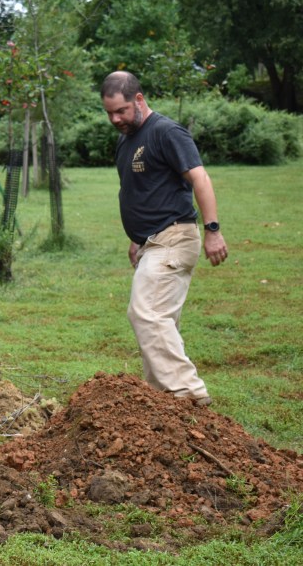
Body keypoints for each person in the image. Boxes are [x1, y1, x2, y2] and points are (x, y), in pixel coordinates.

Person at [101, 71, 228, 406]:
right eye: (110, 113)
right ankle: (163, 402)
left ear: (139, 100)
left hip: (174, 237)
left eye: (122, 111)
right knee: (161, 320)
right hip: (152, 241)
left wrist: (213, 230)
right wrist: (137, 237)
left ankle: (188, 394)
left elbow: (200, 178)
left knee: (147, 313)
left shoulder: (165, 132)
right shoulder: (126, 139)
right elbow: (140, 189)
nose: (116, 119)